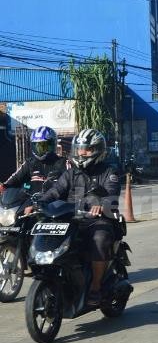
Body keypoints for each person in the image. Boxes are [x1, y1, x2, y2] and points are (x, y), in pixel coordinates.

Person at [35, 129, 120, 307]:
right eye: (79, 149)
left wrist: (101, 204)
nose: (81, 153)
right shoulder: (71, 173)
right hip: (72, 219)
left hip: (97, 220)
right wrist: (40, 202)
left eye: (86, 150)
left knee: (99, 239)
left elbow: (111, 193)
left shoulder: (108, 172)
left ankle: (95, 287)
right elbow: (56, 191)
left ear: (97, 150)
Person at [0, 126, 68, 196]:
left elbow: (73, 185)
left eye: (44, 146)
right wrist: (3, 187)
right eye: (37, 146)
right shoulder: (30, 163)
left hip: (55, 204)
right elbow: (15, 179)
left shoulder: (63, 163)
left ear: (53, 144)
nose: (40, 149)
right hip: (31, 203)